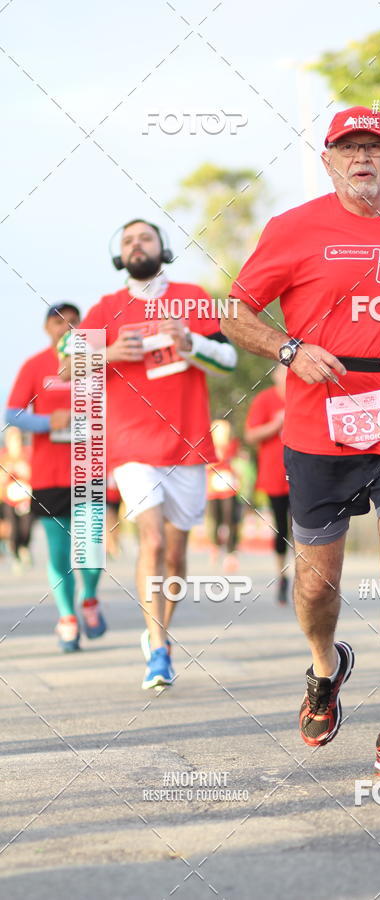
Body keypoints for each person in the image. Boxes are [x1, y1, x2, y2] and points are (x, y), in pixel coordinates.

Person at [223, 106, 380, 774]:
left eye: (375, 147)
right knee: (317, 588)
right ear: (329, 161)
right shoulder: (294, 228)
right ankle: (325, 665)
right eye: (349, 147)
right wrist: (288, 349)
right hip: (322, 421)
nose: (362, 156)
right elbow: (236, 313)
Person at [59, 219, 237, 689]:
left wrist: (190, 341)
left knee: (176, 558)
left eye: (146, 237)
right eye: (128, 241)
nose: (137, 245)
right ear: (121, 256)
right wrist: (110, 351)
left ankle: (161, 633)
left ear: (162, 248)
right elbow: (67, 366)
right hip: (133, 444)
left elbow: (229, 360)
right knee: (153, 541)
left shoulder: (193, 297)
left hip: (188, 445)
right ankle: (157, 650)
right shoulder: (105, 309)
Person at [5, 304, 106, 651]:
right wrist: (50, 423)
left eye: (74, 321)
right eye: (58, 321)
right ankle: (67, 617)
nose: (67, 326)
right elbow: (13, 413)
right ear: (47, 327)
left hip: (90, 468)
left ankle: (89, 598)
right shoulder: (34, 365)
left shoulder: (98, 361)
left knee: (91, 550)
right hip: (49, 474)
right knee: (59, 553)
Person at [245, 364, 290, 605]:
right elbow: (250, 435)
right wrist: (275, 424)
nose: (286, 375)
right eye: (282, 371)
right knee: (282, 528)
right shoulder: (264, 400)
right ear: (274, 374)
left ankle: (307, 576)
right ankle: (282, 575)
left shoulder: (303, 396)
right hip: (274, 474)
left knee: (306, 528)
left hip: (303, 474)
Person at [206, 419, 241, 573]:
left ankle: (230, 554)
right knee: (215, 520)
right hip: (213, 488)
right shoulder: (208, 446)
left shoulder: (232, 444)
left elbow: (235, 461)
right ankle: (215, 546)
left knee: (230, 520)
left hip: (228, 487)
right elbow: (206, 464)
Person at [0, 427, 34, 573]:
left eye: (18, 439)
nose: (16, 442)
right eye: (13, 439)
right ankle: (16, 555)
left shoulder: (28, 454)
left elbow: (33, 473)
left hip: (25, 498)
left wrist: (24, 470)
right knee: (12, 528)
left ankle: (24, 547)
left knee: (26, 527)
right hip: (8, 499)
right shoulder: (4, 457)